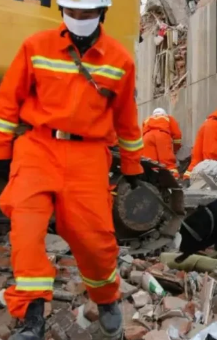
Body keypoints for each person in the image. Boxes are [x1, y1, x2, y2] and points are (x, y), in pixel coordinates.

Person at [0, 0, 144, 339]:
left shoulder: (119, 60)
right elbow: (8, 102)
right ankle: (32, 317)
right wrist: (3, 151)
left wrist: (134, 164)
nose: (78, 19)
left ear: (102, 13)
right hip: (37, 147)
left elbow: (126, 118)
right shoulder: (36, 47)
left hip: (88, 155)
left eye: (87, 13)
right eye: (72, 12)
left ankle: (106, 297)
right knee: (25, 228)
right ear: (62, 11)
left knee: (95, 242)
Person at [142, 108, 182, 178]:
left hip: (147, 137)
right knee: (166, 161)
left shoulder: (147, 119)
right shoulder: (168, 118)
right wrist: (176, 148)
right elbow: (177, 135)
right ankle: (173, 177)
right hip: (162, 135)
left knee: (151, 162)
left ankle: (153, 179)